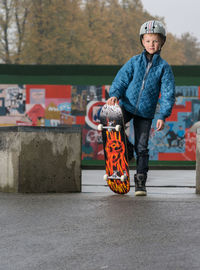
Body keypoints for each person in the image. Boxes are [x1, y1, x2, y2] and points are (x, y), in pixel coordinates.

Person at [107, 20, 175, 196]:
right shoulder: (134, 62)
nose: (151, 44)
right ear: (142, 42)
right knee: (114, 127)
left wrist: (163, 115)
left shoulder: (164, 68)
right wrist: (115, 94)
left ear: (161, 43)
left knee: (142, 147)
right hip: (127, 106)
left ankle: (140, 180)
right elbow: (121, 79)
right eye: (148, 41)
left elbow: (168, 93)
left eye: (155, 41)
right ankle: (126, 149)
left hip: (146, 113)